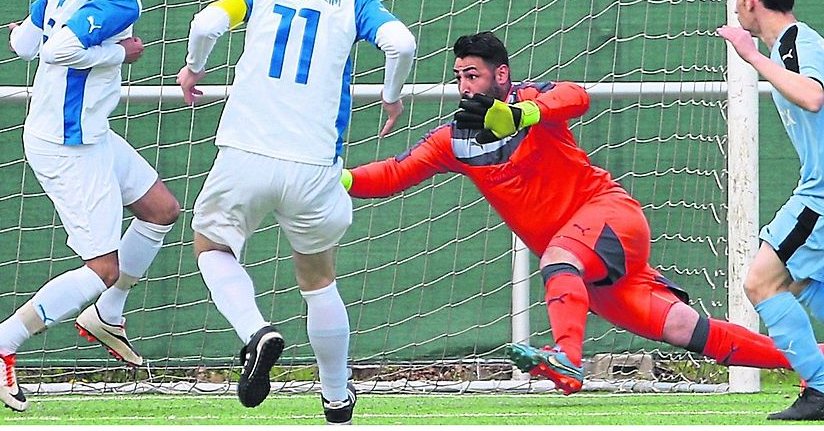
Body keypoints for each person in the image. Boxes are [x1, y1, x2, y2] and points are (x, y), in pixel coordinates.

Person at [343, 30, 819, 398]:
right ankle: (816, 363)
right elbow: (392, 173)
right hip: (585, 269)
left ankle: (565, 356)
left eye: (473, 75)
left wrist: (522, 115)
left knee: (557, 259)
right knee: (687, 331)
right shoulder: (455, 141)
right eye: (460, 76)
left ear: (501, 76)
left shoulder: (531, 102)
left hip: (610, 219)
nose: (464, 85)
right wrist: (337, 180)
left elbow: (576, 96)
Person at [176, 0, 415, 424]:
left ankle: (256, 333)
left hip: (246, 151)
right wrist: (392, 97)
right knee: (318, 278)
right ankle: (335, 396)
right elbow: (401, 42)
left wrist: (193, 69)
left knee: (211, 246)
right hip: (313, 162)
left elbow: (205, 22)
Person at [0, 0, 179, 412]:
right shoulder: (122, 2)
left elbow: (26, 45)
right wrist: (120, 52)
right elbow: (58, 49)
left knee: (161, 210)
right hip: (68, 144)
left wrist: (21, 31)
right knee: (103, 266)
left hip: (90, 132)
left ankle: (107, 316)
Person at [719, 0, 824, 421]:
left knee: (761, 281)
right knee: (798, 283)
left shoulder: (797, 43)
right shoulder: (788, 46)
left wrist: (752, 56)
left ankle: (820, 390)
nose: (735, 6)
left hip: (820, 195)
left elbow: (814, 95)